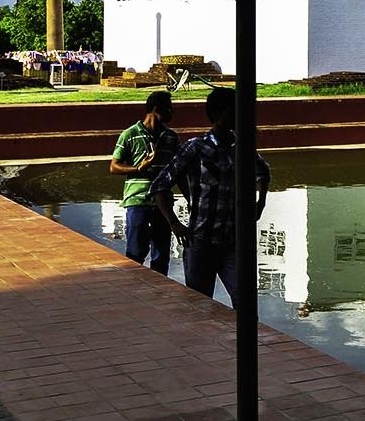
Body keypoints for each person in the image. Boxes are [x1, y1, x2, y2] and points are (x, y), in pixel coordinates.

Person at [150, 87, 270, 307]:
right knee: (199, 305)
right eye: (233, 110)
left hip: (234, 242)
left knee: (246, 302)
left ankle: (243, 341)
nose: (239, 115)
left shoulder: (241, 147)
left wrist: (260, 203)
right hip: (201, 241)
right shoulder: (196, 148)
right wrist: (174, 224)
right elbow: (159, 185)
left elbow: (263, 171)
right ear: (218, 115)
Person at [110, 90, 180, 274]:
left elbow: (179, 172)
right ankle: (134, 294)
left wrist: (191, 198)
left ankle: (158, 296)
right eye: (169, 109)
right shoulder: (130, 134)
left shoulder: (171, 137)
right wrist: (139, 168)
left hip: (163, 203)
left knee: (161, 256)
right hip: (137, 201)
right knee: (135, 254)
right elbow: (114, 166)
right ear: (156, 109)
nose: (172, 113)